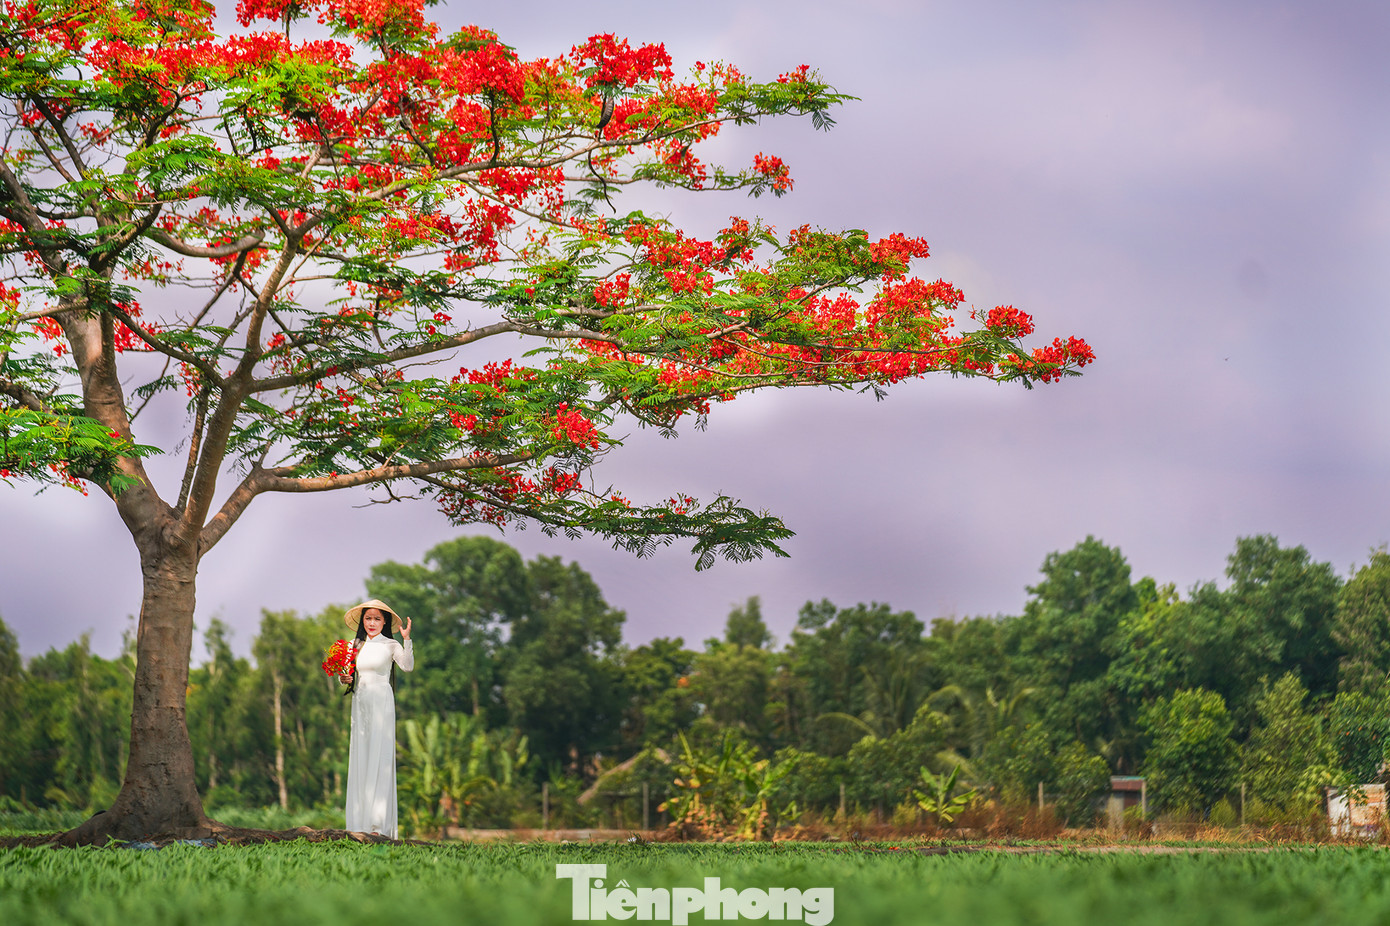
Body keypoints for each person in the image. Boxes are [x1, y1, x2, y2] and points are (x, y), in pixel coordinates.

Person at [342, 598, 414, 838]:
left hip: (382, 702)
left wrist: (406, 639)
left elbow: (408, 666)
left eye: (377, 619)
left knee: (380, 756)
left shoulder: (391, 645)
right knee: (362, 755)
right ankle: (358, 824)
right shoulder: (354, 645)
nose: (372, 623)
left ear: (385, 622)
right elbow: (346, 674)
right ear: (363, 621)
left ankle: (378, 826)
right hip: (360, 703)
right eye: (368, 618)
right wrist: (344, 679)